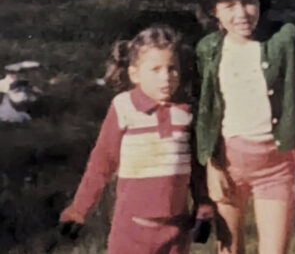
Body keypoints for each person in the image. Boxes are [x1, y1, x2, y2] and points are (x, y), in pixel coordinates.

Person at [60, 25, 208, 253]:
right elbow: (101, 163)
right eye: (155, 69)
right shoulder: (124, 106)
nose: (166, 77)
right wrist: (79, 209)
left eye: (172, 69)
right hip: (131, 230)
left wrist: (203, 208)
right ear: (134, 73)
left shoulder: (186, 110)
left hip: (176, 229)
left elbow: (198, 170)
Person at [195, 0, 295, 253]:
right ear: (212, 9)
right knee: (229, 249)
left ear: (260, 0)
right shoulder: (208, 50)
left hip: (277, 166)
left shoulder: (285, 39)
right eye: (229, 6)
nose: (241, 13)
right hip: (228, 164)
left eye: (248, 2)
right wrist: (210, 163)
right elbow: (205, 110)